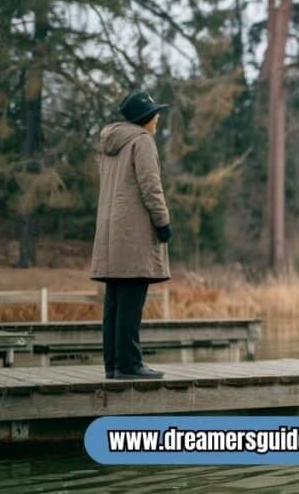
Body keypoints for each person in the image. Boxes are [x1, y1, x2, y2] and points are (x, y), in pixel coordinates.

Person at [89, 90, 173, 380]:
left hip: (110, 232)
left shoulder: (109, 146)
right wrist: (163, 222)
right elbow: (151, 187)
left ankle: (113, 365)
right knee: (132, 299)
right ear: (145, 118)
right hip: (134, 232)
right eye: (155, 113)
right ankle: (130, 364)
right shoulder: (142, 141)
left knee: (114, 300)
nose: (158, 117)